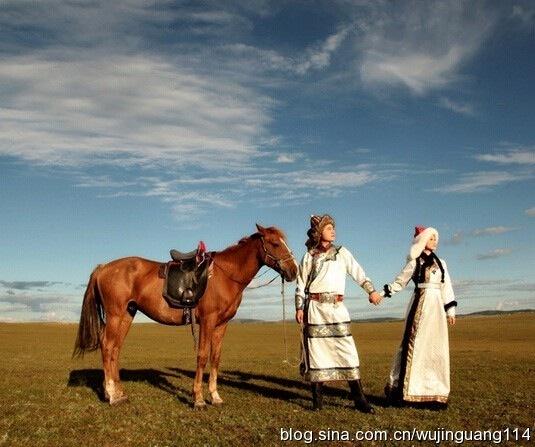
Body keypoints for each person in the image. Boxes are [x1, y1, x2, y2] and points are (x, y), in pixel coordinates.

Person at [295, 214, 381, 413]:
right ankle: (317, 402)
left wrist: (371, 290)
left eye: (333, 227)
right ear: (318, 233)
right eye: (328, 228)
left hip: (337, 308)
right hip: (315, 309)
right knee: (317, 354)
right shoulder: (309, 256)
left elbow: (358, 272)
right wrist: (299, 307)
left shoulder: (342, 253)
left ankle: (359, 399)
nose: (333, 231)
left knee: (347, 350)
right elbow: (300, 284)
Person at [381, 226, 457, 409]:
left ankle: (433, 394)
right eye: (431, 238)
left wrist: (450, 311)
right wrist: (382, 294)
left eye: (435, 238)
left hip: (437, 310)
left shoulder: (442, 263)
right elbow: (400, 281)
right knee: (414, 347)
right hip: (420, 308)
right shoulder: (415, 262)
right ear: (422, 241)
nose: (435, 241)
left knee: (435, 349)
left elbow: (446, 286)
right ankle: (406, 392)